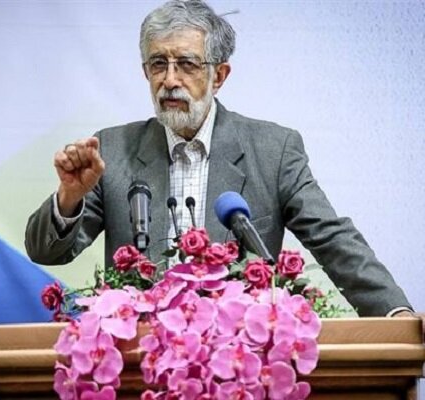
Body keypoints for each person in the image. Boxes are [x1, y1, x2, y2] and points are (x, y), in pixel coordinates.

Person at [25, 0, 413, 317]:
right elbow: (46, 252)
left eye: (187, 64)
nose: (170, 80)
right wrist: (69, 197)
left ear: (219, 75)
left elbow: (332, 238)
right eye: (158, 64)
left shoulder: (273, 150)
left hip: (240, 357)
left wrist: (394, 312)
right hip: (141, 360)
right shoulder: (112, 149)